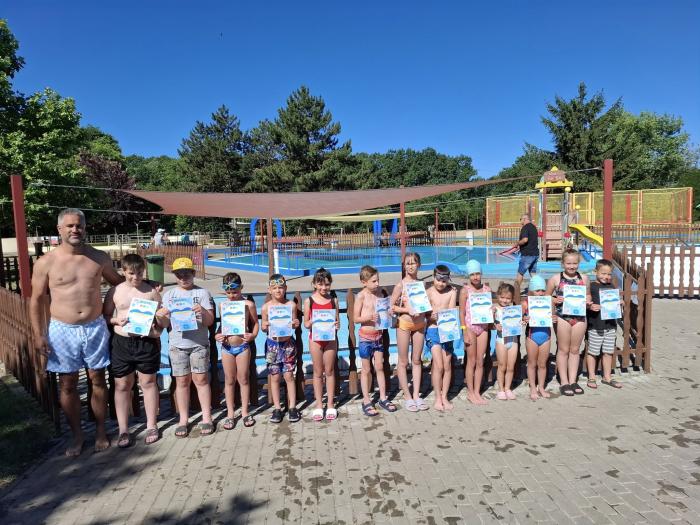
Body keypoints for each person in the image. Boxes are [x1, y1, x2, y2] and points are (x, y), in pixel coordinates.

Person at [29, 208, 125, 456]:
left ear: (85, 228)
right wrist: (38, 334)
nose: (75, 230)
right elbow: (36, 300)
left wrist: (145, 287)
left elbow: (119, 284)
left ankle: (101, 430)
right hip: (63, 328)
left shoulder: (99, 258)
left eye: (79, 225)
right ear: (59, 229)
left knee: (98, 378)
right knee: (67, 383)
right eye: (70, 226)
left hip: (94, 326)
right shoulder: (46, 262)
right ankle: (78, 435)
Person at [102, 254, 165, 447]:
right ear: (123, 271)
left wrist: (158, 325)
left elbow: (161, 319)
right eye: (131, 273)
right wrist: (116, 320)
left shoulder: (152, 292)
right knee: (122, 385)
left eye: (139, 273)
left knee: (148, 382)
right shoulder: (115, 291)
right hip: (122, 342)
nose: (135, 277)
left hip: (146, 342)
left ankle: (152, 425)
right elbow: (105, 316)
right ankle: (123, 430)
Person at [157, 257, 215, 437]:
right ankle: (183, 419)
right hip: (177, 345)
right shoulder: (169, 296)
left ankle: (206, 417)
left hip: (198, 344)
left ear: (193, 273)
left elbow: (209, 321)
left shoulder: (202, 293)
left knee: (201, 380)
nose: (183, 277)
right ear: (174, 275)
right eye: (179, 274)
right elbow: (164, 324)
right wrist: (160, 316)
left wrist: (202, 311)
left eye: (187, 273)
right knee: (181, 382)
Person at [214, 272, 259, 429]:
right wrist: (217, 335)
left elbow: (255, 323)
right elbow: (222, 326)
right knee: (229, 380)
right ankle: (230, 413)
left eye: (234, 292)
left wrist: (253, 335)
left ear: (241, 288)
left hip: (243, 347)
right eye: (228, 292)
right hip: (227, 348)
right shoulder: (222, 305)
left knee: (244, 379)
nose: (231, 296)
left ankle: (245, 412)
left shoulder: (248, 305)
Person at [546, 248, 590, 397]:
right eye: (568, 263)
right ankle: (564, 382)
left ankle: (573, 380)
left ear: (578, 263)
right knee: (563, 349)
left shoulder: (584, 278)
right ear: (563, 263)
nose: (572, 266)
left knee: (575, 350)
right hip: (562, 317)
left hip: (579, 318)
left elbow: (588, 295)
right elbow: (546, 296)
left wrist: (588, 300)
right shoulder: (555, 279)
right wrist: (554, 299)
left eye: (575, 263)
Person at [353, 265, 396, 416]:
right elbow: (355, 318)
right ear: (364, 282)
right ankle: (366, 400)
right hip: (365, 338)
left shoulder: (381, 294)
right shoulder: (361, 296)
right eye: (373, 281)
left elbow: (387, 311)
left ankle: (383, 398)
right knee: (366, 370)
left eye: (378, 280)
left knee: (379, 366)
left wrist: (390, 312)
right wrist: (369, 317)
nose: (377, 283)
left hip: (378, 337)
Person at [389, 252, 428, 412]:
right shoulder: (401, 285)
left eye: (413, 263)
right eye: (408, 263)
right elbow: (391, 307)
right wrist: (407, 309)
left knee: (417, 360)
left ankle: (416, 394)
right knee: (403, 361)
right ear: (404, 266)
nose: (410, 266)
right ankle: (407, 395)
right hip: (404, 324)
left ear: (419, 265)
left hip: (420, 325)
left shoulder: (422, 284)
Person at [261, 274, 301, 423]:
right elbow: (263, 328)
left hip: (288, 344)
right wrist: (264, 326)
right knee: (275, 376)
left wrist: (295, 323)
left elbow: (294, 324)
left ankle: (292, 407)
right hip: (272, 345)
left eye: (280, 287)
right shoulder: (266, 307)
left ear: (285, 288)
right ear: (269, 290)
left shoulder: (291, 305)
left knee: (289, 375)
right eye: (274, 288)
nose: (278, 290)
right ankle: (277, 408)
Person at [303, 268, 341, 422]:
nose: (324, 288)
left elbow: (337, 322)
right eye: (320, 284)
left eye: (327, 284)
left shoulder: (334, 301)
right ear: (314, 284)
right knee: (318, 372)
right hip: (315, 340)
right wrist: (313, 320)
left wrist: (337, 325)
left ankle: (330, 404)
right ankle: (319, 404)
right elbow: (306, 324)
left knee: (330, 371)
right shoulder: (309, 301)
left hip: (330, 340)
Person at [585, 259, 623, 390]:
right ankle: (591, 376)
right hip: (596, 325)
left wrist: (619, 303)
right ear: (596, 272)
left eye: (609, 274)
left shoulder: (612, 287)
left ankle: (607, 377)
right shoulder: (591, 287)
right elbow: (586, 303)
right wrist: (590, 306)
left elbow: (614, 304)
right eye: (603, 273)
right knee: (593, 352)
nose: (606, 276)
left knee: (608, 352)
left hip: (610, 325)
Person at [425, 265, 457, 411]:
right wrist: (429, 316)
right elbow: (424, 314)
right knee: (439, 365)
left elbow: (451, 311)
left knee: (447, 365)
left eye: (444, 281)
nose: (441, 283)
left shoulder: (452, 292)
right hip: (433, 330)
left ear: (448, 280)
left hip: (447, 330)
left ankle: (444, 397)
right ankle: (438, 398)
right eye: (438, 280)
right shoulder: (429, 292)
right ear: (433, 278)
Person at [459, 259, 491, 405]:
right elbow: (461, 313)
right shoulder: (465, 291)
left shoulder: (486, 290)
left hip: (483, 328)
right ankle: (470, 392)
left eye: (477, 273)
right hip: (470, 327)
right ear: (468, 275)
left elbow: (488, 309)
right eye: (472, 274)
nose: (475, 277)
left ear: (481, 273)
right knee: (471, 361)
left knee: (480, 361)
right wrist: (464, 331)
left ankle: (477, 391)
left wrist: (492, 311)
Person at [522, 275, 554, 401]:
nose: (540, 293)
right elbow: (521, 321)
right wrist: (524, 319)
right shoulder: (526, 303)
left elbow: (553, 316)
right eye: (537, 290)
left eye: (542, 290)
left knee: (542, 364)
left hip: (546, 336)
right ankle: (532, 388)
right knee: (532, 363)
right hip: (532, 336)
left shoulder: (549, 301)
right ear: (531, 290)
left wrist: (554, 318)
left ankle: (541, 387)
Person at [492, 283, 521, 400]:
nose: (505, 300)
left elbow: (519, 322)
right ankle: (501, 389)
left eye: (508, 298)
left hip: (513, 341)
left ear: (512, 298)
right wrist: (495, 325)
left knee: (510, 367)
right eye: (502, 297)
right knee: (502, 366)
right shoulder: (495, 309)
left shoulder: (514, 309)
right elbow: (490, 324)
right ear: (498, 296)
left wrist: (522, 321)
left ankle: (508, 388)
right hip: (501, 341)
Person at [514, 214, 539, 288]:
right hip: (535, 254)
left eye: (520, 219)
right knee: (533, 273)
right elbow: (531, 241)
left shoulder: (525, 227)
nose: (520, 221)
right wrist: (520, 247)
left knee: (520, 273)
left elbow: (525, 240)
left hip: (527, 254)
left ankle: (516, 290)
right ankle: (539, 288)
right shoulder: (534, 227)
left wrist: (517, 243)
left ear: (524, 219)